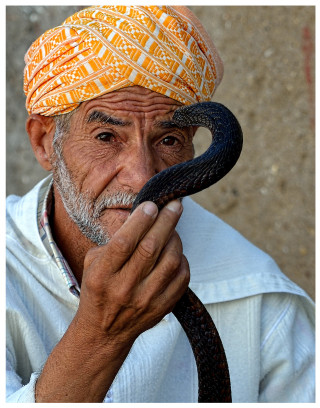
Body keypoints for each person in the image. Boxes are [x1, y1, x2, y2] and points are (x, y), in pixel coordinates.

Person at [6, 6, 314, 403]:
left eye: (168, 140)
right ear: (45, 143)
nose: (141, 177)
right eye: (105, 137)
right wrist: (101, 335)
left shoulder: (258, 298)